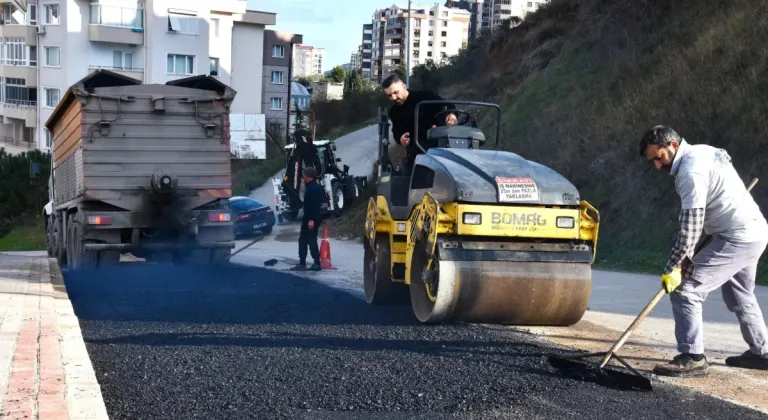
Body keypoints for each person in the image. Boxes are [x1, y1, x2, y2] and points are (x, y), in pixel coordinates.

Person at [638, 125, 768, 377]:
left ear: (673, 146)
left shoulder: (689, 171)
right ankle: (762, 353)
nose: (657, 165)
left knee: (686, 289)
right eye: (652, 160)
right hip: (755, 231)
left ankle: (692, 356)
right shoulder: (706, 151)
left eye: (659, 157)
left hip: (736, 237)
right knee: (740, 295)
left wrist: (674, 267)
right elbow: (725, 156)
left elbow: (691, 227)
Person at [382, 74, 455, 172]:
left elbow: (448, 106)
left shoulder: (426, 96)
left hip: (441, 143)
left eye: (396, 92)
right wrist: (401, 138)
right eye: (389, 95)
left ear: (404, 86)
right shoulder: (394, 112)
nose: (394, 98)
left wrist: (451, 115)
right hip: (417, 151)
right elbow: (397, 133)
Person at [290, 167, 324, 272]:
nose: (302, 176)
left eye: (304, 174)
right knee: (303, 240)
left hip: (311, 219)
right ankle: (302, 263)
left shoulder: (314, 188)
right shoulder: (310, 186)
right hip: (308, 218)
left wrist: (311, 220)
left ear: (308, 176)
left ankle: (317, 263)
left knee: (311, 240)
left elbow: (315, 205)